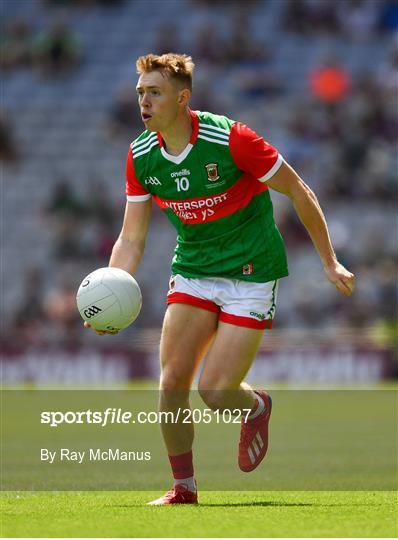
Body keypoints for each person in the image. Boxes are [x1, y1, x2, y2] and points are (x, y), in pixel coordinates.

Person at [84, 53, 355, 504]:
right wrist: (109, 294)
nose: (144, 102)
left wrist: (329, 261)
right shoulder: (140, 156)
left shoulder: (231, 139)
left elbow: (298, 190)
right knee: (171, 383)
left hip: (252, 272)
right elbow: (131, 239)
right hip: (193, 269)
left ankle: (256, 405)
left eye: (154, 93)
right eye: (140, 93)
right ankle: (183, 489)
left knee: (213, 391)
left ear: (182, 98)